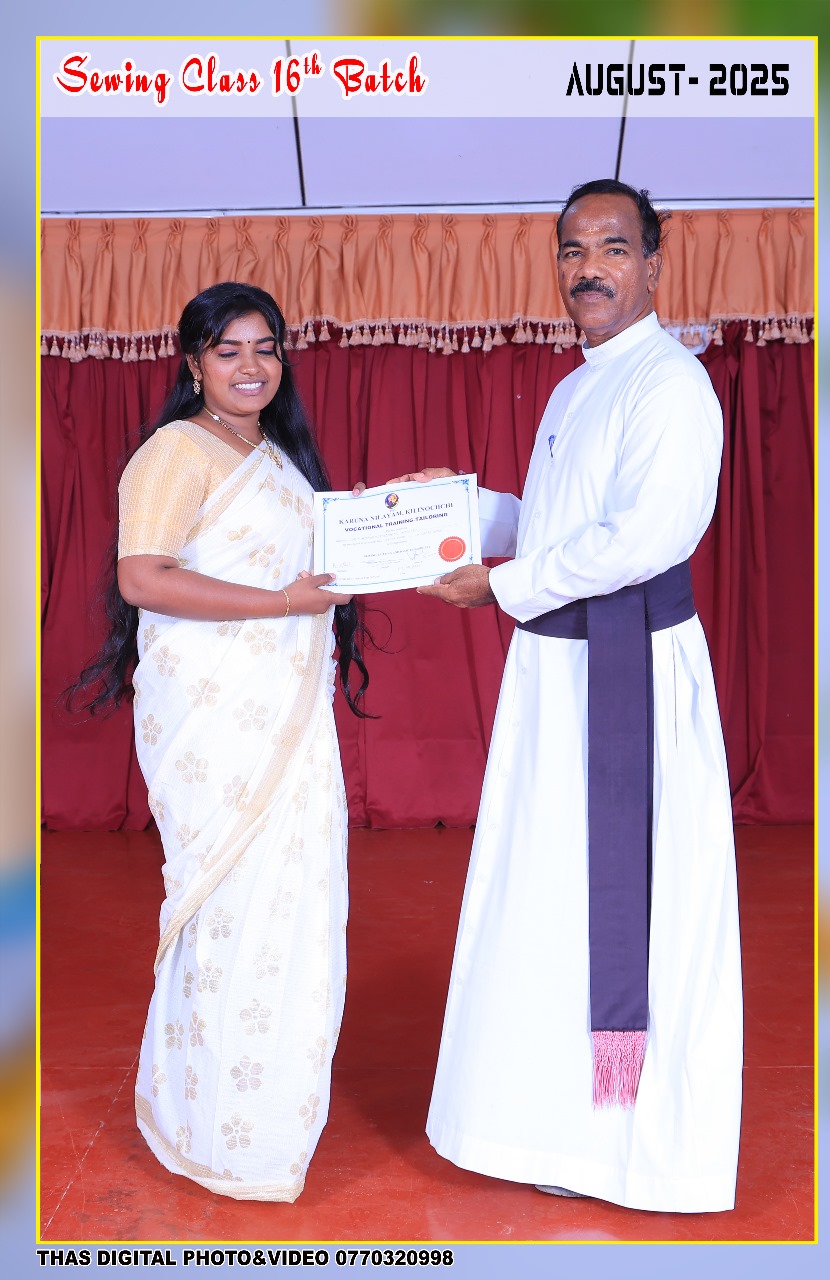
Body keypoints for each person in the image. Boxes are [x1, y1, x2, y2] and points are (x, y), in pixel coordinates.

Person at [396, 180, 743, 1213]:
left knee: (626, 902)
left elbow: (641, 539)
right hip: (559, 670)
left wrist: (497, 586)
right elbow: (557, 520)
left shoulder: (669, 384)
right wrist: (455, 510)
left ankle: (632, 1147)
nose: (588, 269)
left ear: (652, 264)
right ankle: (553, 1124)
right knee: (550, 892)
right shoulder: (574, 386)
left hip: (625, 670)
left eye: (612, 248)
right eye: (571, 250)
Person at [76, 282, 367, 1201]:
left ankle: (261, 1128)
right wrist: (280, 602)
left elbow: (321, 562)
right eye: (228, 349)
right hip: (214, 724)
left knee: (293, 915)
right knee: (227, 911)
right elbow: (142, 577)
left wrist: (399, 515)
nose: (250, 366)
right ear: (193, 363)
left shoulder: (276, 458)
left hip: (289, 721)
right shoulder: (176, 451)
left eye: (265, 347)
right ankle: (205, 1123)